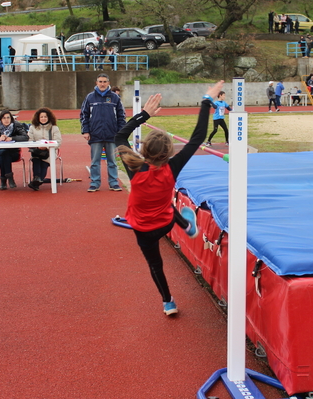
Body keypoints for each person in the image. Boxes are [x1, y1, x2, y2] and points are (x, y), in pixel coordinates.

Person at [115, 81, 223, 316]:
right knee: (168, 204)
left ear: (143, 151)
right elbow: (197, 138)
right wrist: (207, 100)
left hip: (143, 229)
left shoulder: (134, 166)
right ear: (170, 153)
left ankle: (168, 302)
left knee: (155, 265)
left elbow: (120, 136)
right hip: (164, 223)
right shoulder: (172, 167)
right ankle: (187, 225)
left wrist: (143, 114)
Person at [80, 73, 125, 192]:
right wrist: (85, 131)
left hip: (111, 134)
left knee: (112, 161)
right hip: (95, 135)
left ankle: (114, 183)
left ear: (108, 83)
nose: (102, 84)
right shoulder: (90, 97)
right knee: (95, 161)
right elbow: (84, 115)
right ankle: (95, 183)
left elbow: (121, 116)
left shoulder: (115, 98)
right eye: (100, 81)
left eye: (105, 81)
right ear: (96, 83)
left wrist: (120, 132)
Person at [0, 110, 29, 190]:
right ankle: (10, 177)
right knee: (3, 153)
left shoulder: (17, 125)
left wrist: (12, 138)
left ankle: (3, 180)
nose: (6, 120)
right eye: (4, 118)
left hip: (14, 153)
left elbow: (25, 137)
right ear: (0, 119)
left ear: (11, 118)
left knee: (4, 155)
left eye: (8, 117)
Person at [27, 107, 62, 191]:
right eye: (41, 117)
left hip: (50, 151)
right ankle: (37, 180)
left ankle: (36, 181)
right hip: (37, 150)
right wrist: (37, 146)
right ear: (38, 118)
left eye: (45, 117)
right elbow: (29, 140)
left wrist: (46, 147)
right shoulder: (32, 128)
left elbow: (58, 142)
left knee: (44, 162)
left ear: (49, 117)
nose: (43, 118)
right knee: (36, 159)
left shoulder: (54, 128)